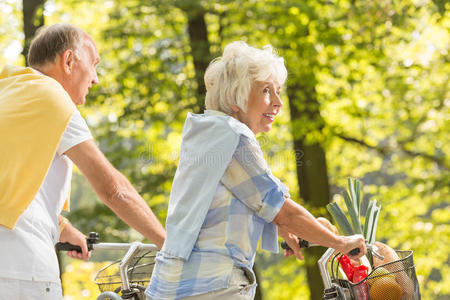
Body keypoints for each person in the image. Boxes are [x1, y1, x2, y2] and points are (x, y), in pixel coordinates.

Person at [146, 41, 367, 300]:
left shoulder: (208, 133)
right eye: (265, 91)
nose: (278, 102)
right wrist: (341, 243)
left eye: (278, 91)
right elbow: (279, 208)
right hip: (210, 287)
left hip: (173, 285)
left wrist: (291, 228)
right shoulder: (234, 136)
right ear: (235, 97)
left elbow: (238, 203)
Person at [0, 23, 165, 299]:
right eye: (94, 64)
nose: (96, 79)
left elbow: (11, 183)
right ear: (68, 61)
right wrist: (169, 244)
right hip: (21, 270)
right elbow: (114, 190)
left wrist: (62, 228)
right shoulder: (53, 97)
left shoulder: (9, 94)